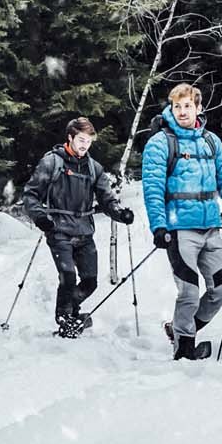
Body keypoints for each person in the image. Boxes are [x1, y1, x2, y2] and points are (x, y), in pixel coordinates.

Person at [141, 83, 222, 360]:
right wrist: (159, 226)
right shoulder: (160, 143)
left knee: (221, 290)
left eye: (187, 106)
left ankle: (182, 330)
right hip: (179, 230)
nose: (182, 111)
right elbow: (153, 189)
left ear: (199, 108)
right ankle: (184, 350)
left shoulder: (211, 141)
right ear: (171, 108)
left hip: (210, 229)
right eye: (177, 106)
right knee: (189, 292)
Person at [20, 116, 136, 337]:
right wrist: (40, 217)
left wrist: (121, 214)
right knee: (68, 277)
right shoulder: (52, 162)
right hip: (58, 229)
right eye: (81, 140)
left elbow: (107, 199)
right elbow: (31, 194)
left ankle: (71, 311)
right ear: (70, 137)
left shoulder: (94, 168)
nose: (84, 145)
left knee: (90, 282)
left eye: (89, 141)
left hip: (84, 231)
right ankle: (65, 320)